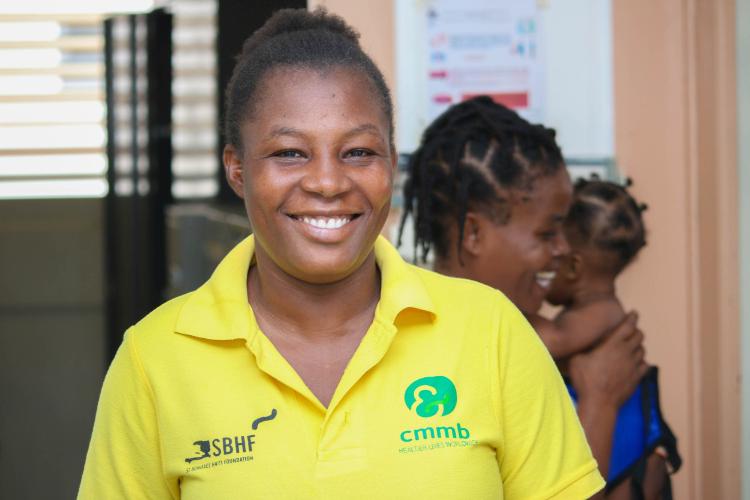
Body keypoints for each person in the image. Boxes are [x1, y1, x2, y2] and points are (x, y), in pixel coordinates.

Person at [78, 9, 604, 499]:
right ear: (237, 169)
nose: (328, 182)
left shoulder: (491, 331)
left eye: (358, 152)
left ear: (391, 163)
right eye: (289, 153)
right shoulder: (154, 361)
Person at [399, 96, 656, 498]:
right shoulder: (420, 349)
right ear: (474, 234)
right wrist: (600, 403)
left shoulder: (554, 344)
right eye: (547, 232)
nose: (562, 250)